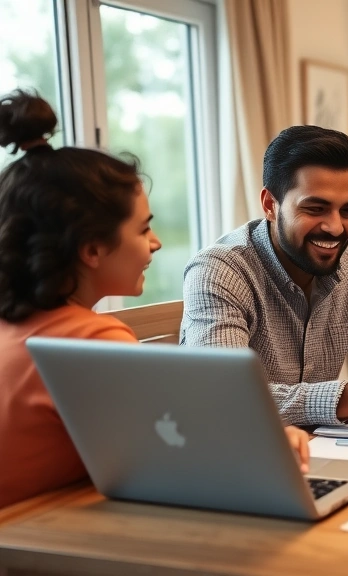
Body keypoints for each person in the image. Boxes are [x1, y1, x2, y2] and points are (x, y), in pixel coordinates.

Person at [0, 91, 309, 509]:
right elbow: (169, 462)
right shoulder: (91, 341)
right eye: (143, 230)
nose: (157, 243)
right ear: (92, 248)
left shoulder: (18, 327)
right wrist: (261, 443)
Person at [180, 125, 348, 426]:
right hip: (240, 457)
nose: (336, 227)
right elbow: (222, 395)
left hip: (324, 448)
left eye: (347, 211)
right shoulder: (219, 270)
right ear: (269, 205)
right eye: (316, 208)